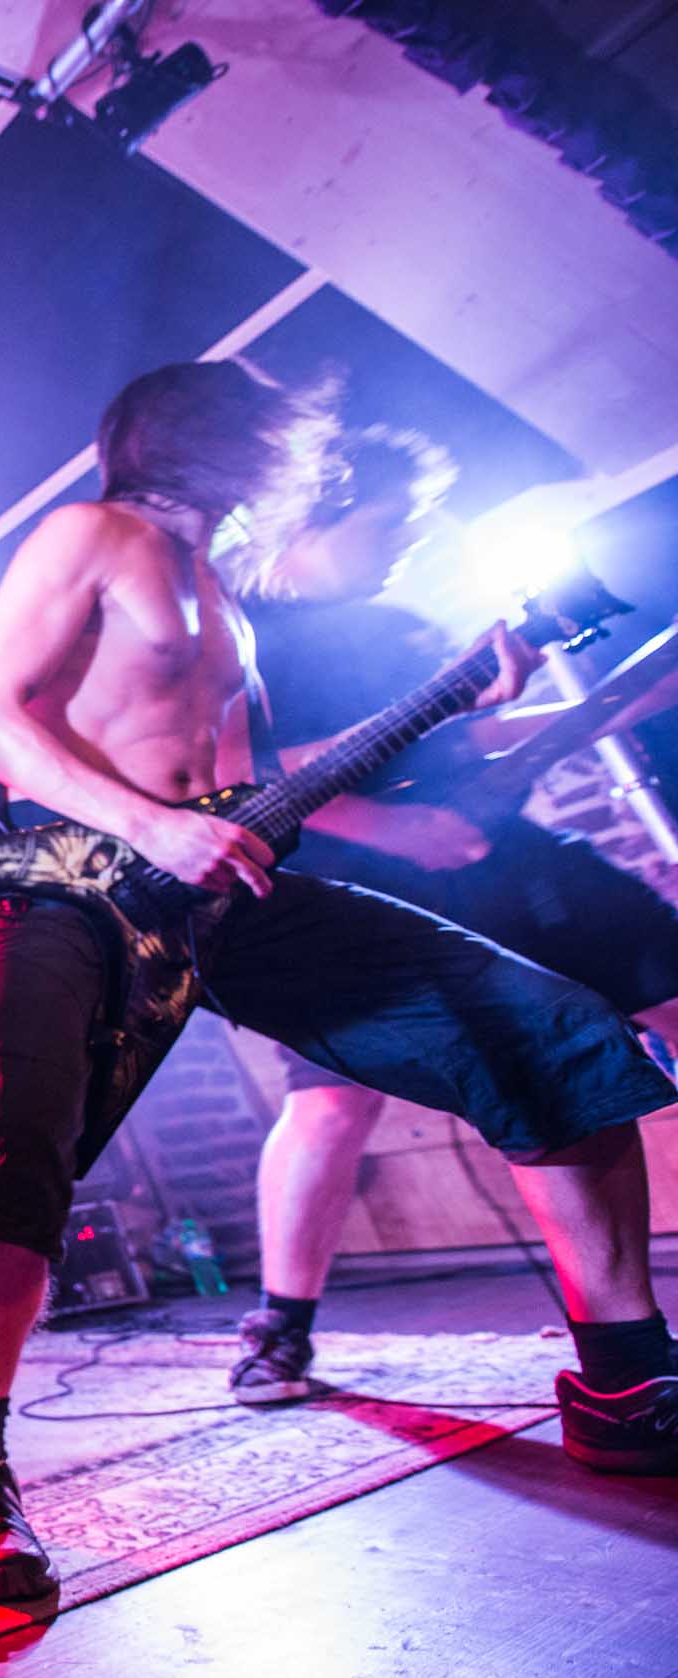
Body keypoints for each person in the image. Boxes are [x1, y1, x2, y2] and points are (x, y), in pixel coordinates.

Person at [0, 360, 677, 1606]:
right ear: (219, 442)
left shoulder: (223, 597)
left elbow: (261, 778)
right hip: (64, 880)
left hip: (224, 895)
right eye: (283, 436)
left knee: (549, 1032)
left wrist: (460, 699)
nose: (304, 460)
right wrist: (150, 825)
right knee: (20, 1146)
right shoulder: (89, 533)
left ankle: (623, 1381)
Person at [229, 426, 678, 1403]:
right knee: (332, 1100)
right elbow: (248, 775)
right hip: (357, 876)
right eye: (388, 520)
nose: (406, 540)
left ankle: (624, 1356)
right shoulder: (240, 634)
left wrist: (614, 707)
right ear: (313, 514)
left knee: (665, 978)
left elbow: (466, 737)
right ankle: (279, 1327)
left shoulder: (392, 625)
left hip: (494, 850)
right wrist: (389, 828)